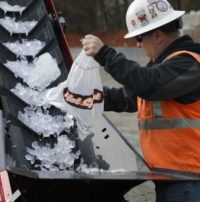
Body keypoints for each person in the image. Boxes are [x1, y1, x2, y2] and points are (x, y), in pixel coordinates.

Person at [81, 0, 200, 201]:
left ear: (158, 35)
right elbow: (126, 97)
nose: (137, 44)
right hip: (174, 178)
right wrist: (85, 97)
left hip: (190, 181)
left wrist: (105, 54)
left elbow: (146, 84)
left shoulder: (188, 64)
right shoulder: (165, 68)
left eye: (139, 38)